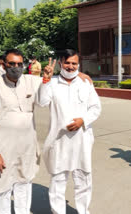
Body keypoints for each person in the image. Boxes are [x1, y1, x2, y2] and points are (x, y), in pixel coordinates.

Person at [37, 49, 101, 214]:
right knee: (58, 178)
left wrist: (83, 120)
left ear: (78, 64)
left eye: (74, 63)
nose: (71, 67)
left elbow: (95, 108)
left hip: (82, 139)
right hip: (59, 140)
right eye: (67, 63)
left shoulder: (85, 83)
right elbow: (42, 102)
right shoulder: (51, 83)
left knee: (83, 177)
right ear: (60, 63)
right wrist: (45, 79)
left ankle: (83, 211)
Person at [0, 49, 42, 214]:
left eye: (19, 64)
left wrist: (83, 76)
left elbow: (58, 82)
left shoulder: (31, 81)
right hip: (5, 149)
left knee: (24, 184)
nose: (16, 67)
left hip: (27, 147)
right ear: (4, 64)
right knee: (3, 188)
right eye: (11, 64)